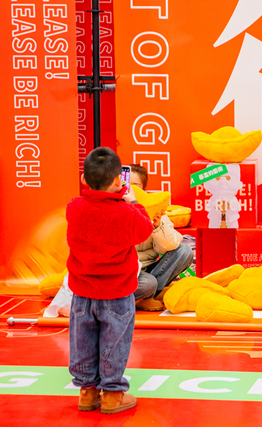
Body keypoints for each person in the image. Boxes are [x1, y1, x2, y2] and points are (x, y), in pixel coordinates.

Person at [66, 147, 153, 414]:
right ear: (119, 180)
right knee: (114, 343)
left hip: (82, 291)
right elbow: (145, 229)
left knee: (82, 341)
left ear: (84, 178)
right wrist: (133, 202)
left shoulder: (74, 208)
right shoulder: (127, 213)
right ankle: (113, 394)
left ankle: (87, 392)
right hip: (117, 292)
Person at [128, 164, 194, 311]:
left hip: (149, 270)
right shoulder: (113, 207)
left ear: (144, 189)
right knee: (148, 283)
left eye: (136, 186)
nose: (131, 190)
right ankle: (142, 295)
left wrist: (157, 227)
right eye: (127, 185)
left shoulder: (154, 208)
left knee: (184, 251)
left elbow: (170, 246)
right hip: (124, 272)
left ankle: (145, 296)